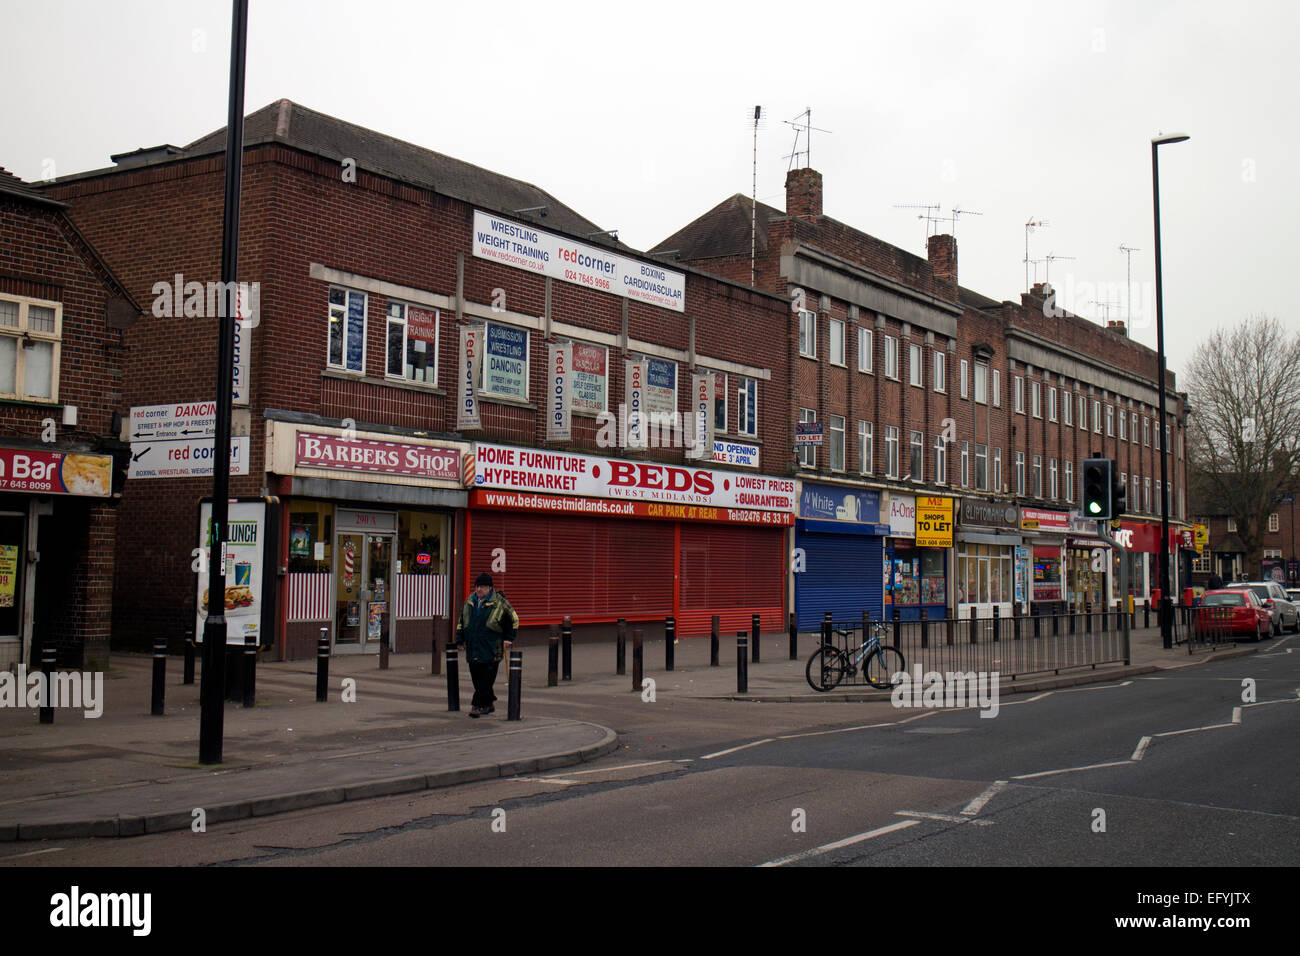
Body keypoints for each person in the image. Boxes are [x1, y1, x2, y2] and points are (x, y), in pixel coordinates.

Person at [456, 572, 518, 717]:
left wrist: (509, 638)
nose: (479, 590)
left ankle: (477, 706)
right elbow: (462, 622)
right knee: (477, 679)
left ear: (490, 588)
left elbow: (514, 620)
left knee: (486, 680)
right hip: (473, 648)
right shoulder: (469, 602)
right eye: (477, 586)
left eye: (482, 587)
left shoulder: (500, 603)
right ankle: (488, 703)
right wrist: (460, 640)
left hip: (491, 649)